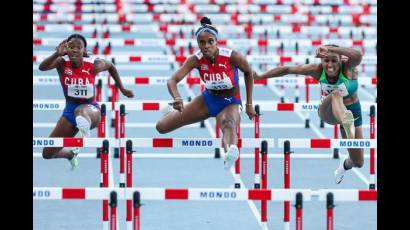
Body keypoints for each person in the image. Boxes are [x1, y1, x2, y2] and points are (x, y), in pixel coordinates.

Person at [156, 17, 256, 170]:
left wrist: (249, 104)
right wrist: (176, 97)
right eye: (202, 43)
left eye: (210, 41)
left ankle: (230, 152)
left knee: (227, 124)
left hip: (230, 101)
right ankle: (171, 111)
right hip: (208, 99)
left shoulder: (232, 56)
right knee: (161, 127)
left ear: (216, 42)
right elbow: (172, 80)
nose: (206, 46)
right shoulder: (195, 60)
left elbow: (248, 73)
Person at [253, 44, 363, 184]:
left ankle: (344, 165)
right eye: (326, 60)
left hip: (353, 111)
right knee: (336, 94)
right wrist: (260, 76)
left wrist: (332, 49)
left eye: (334, 60)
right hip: (328, 111)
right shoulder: (316, 70)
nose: (329, 65)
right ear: (321, 61)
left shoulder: (348, 69)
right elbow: (287, 69)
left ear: (341, 60)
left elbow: (358, 56)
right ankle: (346, 122)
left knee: (358, 162)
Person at [38, 33, 134, 170]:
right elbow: (42, 68)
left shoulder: (94, 64)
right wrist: (56, 54)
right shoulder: (61, 62)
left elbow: (111, 66)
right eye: (71, 46)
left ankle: (84, 126)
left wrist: (122, 89)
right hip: (70, 111)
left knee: (81, 111)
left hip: (91, 109)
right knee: (47, 153)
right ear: (66, 48)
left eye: (79, 47)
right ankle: (70, 154)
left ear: (84, 50)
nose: (75, 50)